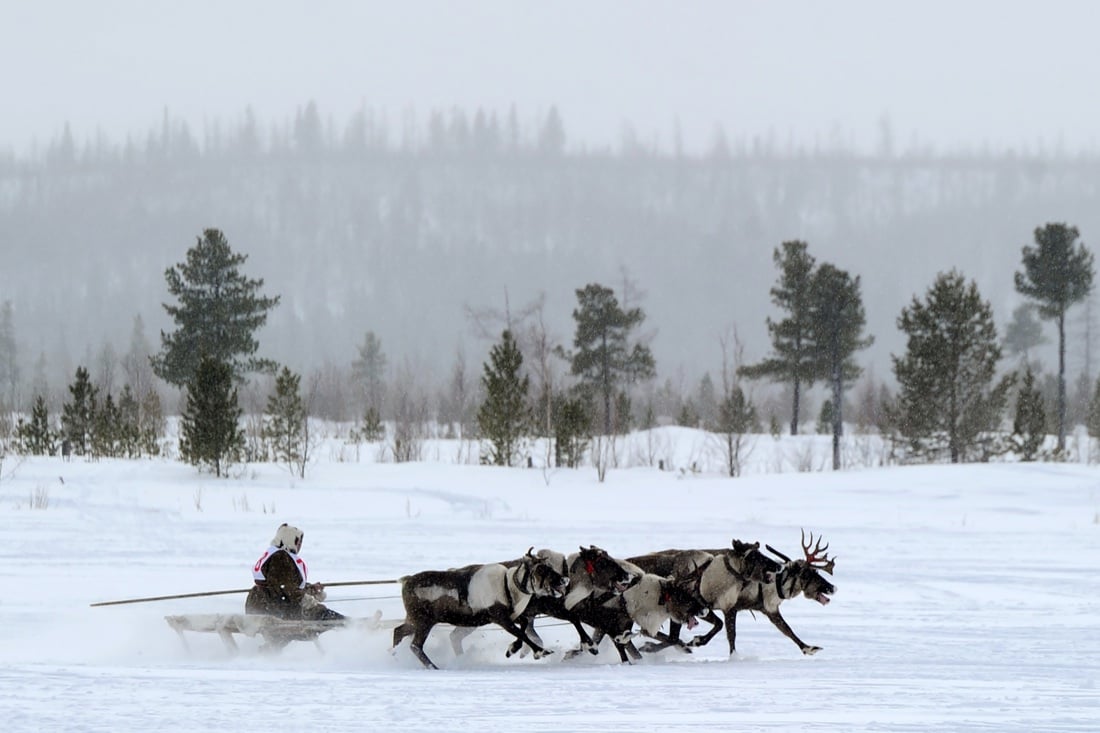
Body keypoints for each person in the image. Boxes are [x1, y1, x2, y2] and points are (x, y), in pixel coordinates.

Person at [246, 523, 345, 624]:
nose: (300, 545)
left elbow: (285, 585)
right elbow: (288, 590)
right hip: (275, 610)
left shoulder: (276, 554)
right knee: (326, 617)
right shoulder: (280, 558)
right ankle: (348, 625)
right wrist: (312, 603)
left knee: (325, 616)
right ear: (289, 540)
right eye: (298, 541)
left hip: (265, 604)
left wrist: (310, 589)